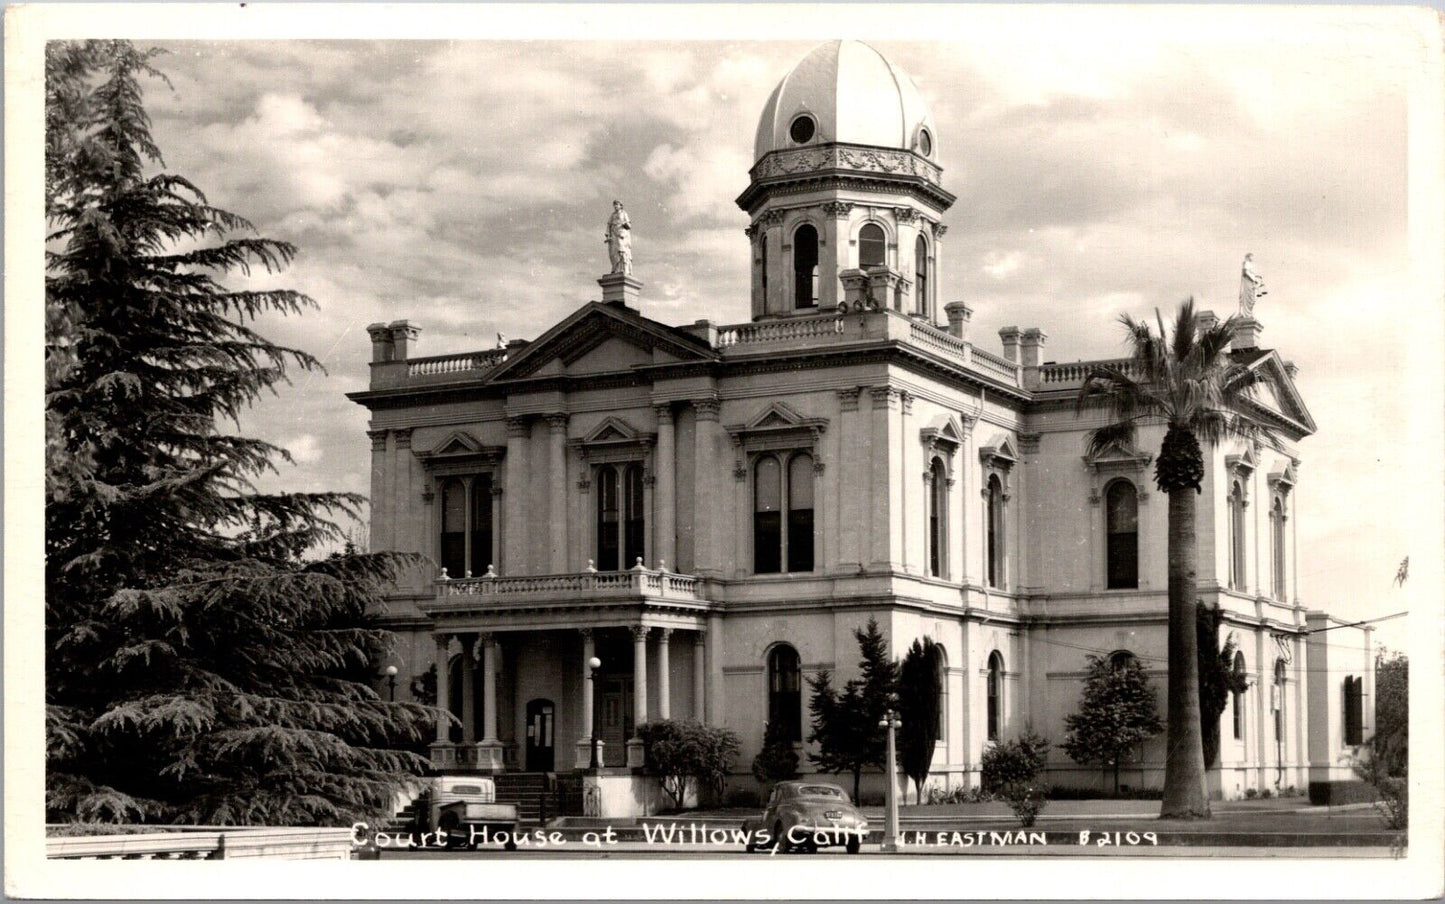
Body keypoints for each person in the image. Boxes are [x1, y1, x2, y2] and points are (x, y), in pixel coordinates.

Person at [605, 200, 632, 276]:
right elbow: (609, 224)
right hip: (614, 233)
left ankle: (623, 268)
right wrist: (608, 234)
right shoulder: (612, 215)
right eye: (614, 205)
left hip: (621, 234)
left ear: (620, 206)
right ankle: (615, 268)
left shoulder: (624, 214)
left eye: (617, 205)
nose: (615, 206)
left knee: (621, 250)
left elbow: (629, 225)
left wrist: (625, 224)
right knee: (613, 251)